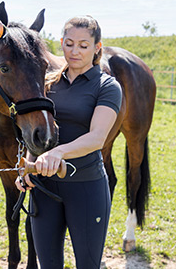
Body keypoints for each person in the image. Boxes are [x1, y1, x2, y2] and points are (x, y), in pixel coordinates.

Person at [15, 15, 122, 269]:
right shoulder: (48, 83)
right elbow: (37, 134)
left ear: (97, 48)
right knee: (48, 265)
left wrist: (59, 153)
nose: (75, 51)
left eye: (84, 46)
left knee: (87, 264)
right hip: (44, 189)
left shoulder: (107, 86)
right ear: (61, 43)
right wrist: (28, 166)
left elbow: (97, 138)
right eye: (69, 43)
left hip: (87, 189)